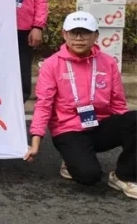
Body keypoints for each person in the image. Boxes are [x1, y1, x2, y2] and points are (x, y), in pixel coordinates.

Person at [24, 11, 136, 198]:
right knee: (89, 176)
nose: (79, 38)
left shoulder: (108, 63)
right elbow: (43, 105)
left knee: (134, 120)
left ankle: (123, 176)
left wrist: (127, 131)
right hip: (68, 130)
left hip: (100, 125)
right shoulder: (51, 65)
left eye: (85, 32)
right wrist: (35, 143)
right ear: (64, 34)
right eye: (73, 32)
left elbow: (118, 103)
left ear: (96, 36)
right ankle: (70, 159)